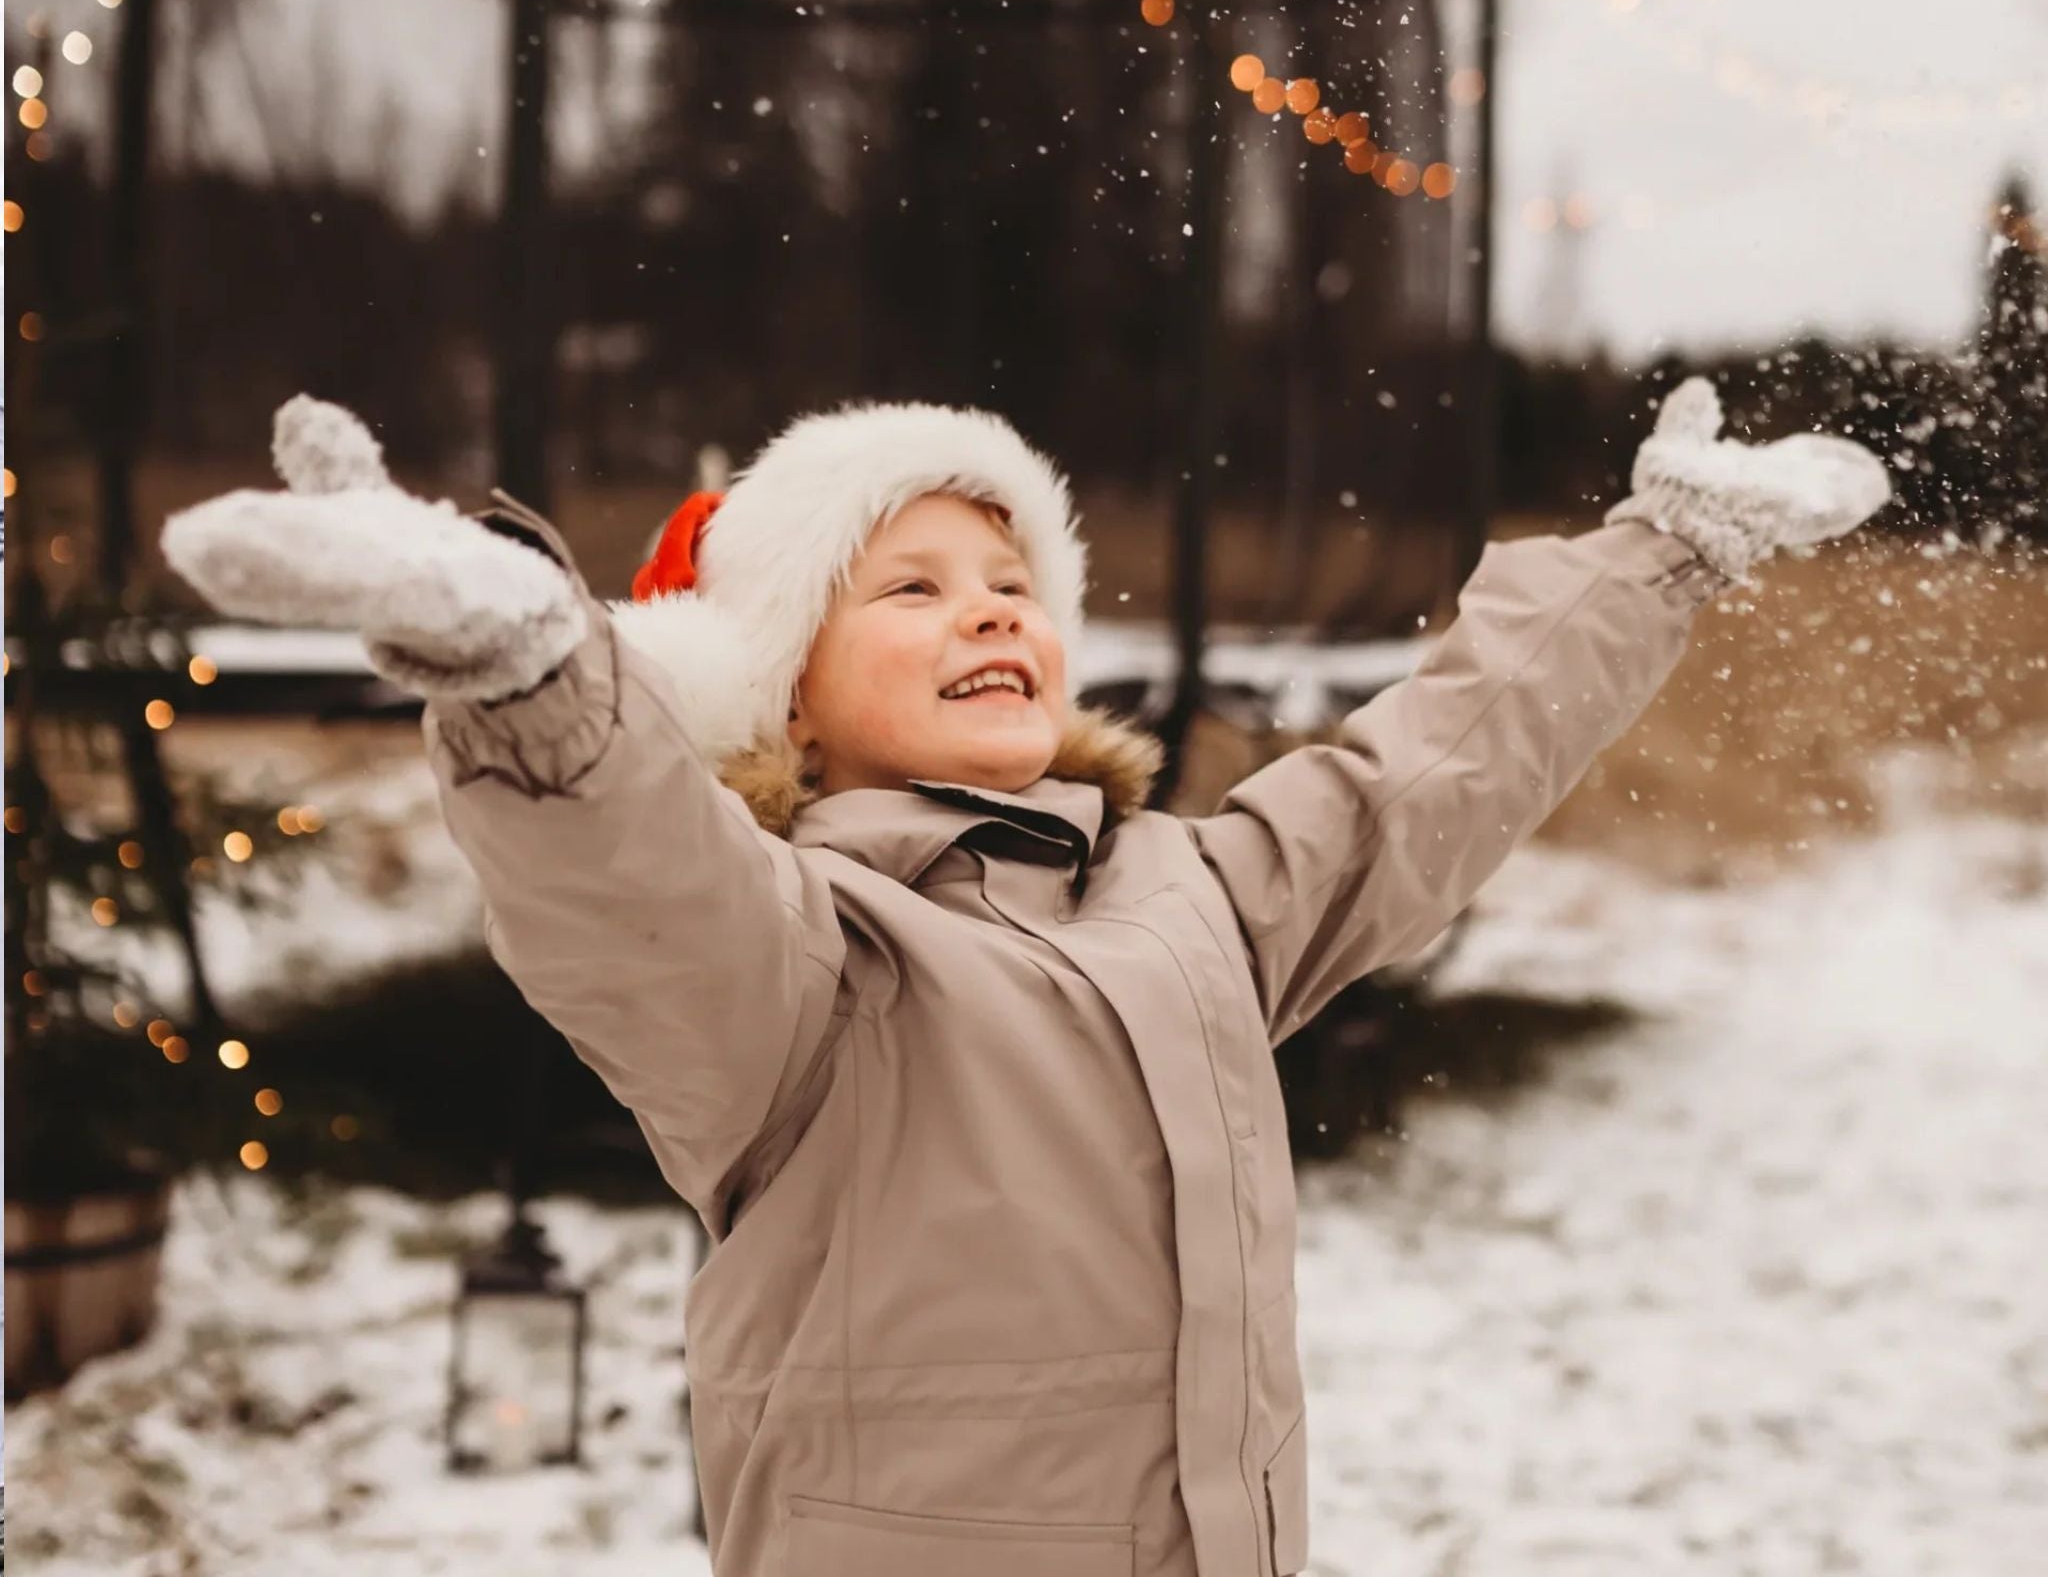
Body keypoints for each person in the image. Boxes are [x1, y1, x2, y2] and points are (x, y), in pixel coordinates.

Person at [162, 382, 1889, 1577]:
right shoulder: (801, 959)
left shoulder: (1187, 892)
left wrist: (1659, 555)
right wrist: (526, 669)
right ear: (790, 699)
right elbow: (628, 875)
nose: (988, 611)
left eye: (1012, 582)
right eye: (911, 588)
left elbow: (1425, 772)